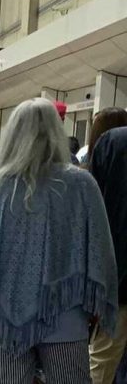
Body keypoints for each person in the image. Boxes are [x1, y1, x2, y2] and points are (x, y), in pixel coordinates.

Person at [0, 98, 118, 383]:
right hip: (64, 314)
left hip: (2, 319)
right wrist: (98, 298)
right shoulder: (81, 185)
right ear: (56, 133)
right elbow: (101, 250)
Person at [90, 126, 127, 384]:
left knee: (102, 361)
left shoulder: (113, 142)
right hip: (116, 278)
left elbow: (91, 208)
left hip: (116, 276)